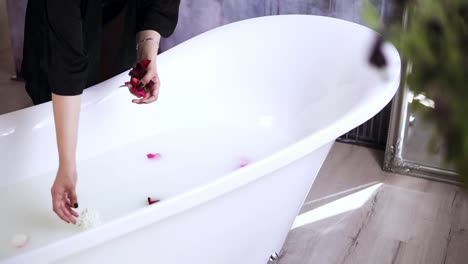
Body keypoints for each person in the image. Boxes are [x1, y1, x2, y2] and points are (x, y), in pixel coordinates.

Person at [21, 0, 180, 224]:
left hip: (119, 18)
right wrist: (66, 166)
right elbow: (65, 64)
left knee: (104, 95)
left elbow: (160, 4)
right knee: (51, 105)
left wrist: (146, 57)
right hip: (58, 30)